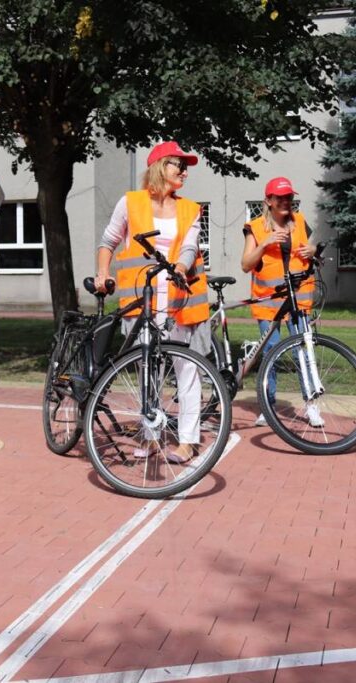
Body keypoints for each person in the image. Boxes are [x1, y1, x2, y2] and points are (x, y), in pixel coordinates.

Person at [95, 141, 209, 463]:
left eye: (185, 167)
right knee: (149, 370)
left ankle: (187, 441)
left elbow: (189, 247)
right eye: (179, 165)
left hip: (179, 301)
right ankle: (150, 436)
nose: (185, 172)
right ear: (160, 166)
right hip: (142, 300)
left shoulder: (190, 209)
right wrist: (103, 273)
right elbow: (108, 241)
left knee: (187, 369)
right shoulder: (130, 202)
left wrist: (181, 269)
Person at [240, 176, 320, 427]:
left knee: (303, 351)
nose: (286, 202)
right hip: (269, 301)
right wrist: (264, 244)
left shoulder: (300, 222)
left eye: (289, 197)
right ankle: (268, 406)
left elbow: (311, 252)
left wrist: (313, 250)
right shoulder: (255, 227)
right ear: (269, 201)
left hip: (298, 299)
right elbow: (245, 264)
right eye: (281, 198)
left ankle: (311, 405)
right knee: (270, 353)